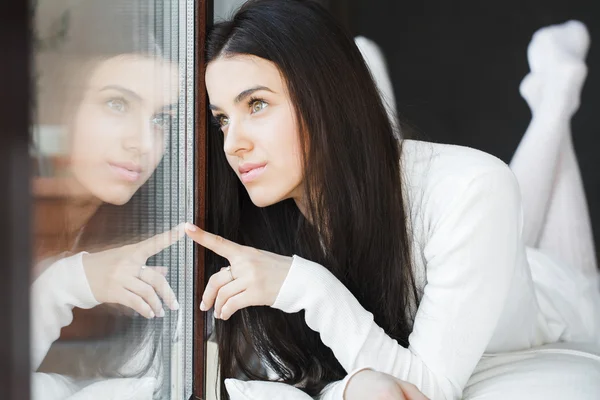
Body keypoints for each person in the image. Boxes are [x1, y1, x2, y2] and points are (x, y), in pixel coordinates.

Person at [184, 0, 600, 399]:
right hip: (451, 233)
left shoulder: (472, 188)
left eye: (256, 104)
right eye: (222, 119)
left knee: (502, 198)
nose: (232, 144)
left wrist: (309, 287)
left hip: (558, 297)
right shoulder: (267, 217)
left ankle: (555, 97)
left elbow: (426, 391)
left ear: (326, 98)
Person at [32, 1, 183, 398]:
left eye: (161, 118)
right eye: (117, 104)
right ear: (60, 105)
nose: (143, 142)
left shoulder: (157, 233)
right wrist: (63, 284)